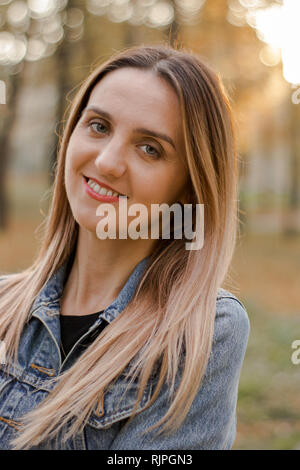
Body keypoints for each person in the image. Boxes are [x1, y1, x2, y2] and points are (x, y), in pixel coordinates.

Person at [0, 44, 250, 450]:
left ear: (189, 190)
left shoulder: (199, 333)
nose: (107, 162)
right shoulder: (3, 305)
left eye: (150, 148)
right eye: (98, 126)